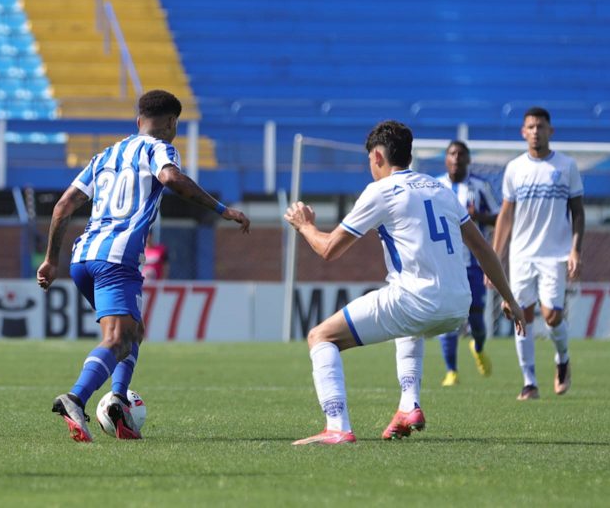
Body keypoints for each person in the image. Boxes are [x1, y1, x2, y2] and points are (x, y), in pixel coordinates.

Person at [284, 120, 526, 445]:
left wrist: (304, 226)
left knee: (321, 337)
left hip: (416, 300)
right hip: (458, 306)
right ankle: (408, 406)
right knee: (408, 323)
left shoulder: (380, 191)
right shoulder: (440, 188)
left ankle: (336, 425)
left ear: (379, 157)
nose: (370, 167)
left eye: (370, 160)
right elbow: (483, 247)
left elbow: (328, 249)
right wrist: (509, 298)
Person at [37, 89, 251, 442]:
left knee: (134, 331)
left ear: (138, 121)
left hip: (82, 258)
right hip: (117, 259)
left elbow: (62, 206)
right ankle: (76, 397)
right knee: (119, 337)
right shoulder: (159, 148)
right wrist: (222, 209)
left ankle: (119, 400)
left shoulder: (104, 155)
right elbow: (170, 178)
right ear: (171, 123)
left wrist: (50, 260)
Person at [491, 106, 585, 401]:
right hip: (521, 255)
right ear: (523, 132)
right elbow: (506, 215)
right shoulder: (515, 168)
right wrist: (494, 257)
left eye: (540, 126)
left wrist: (575, 250)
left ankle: (563, 358)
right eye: (530, 127)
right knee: (522, 315)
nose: (535, 131)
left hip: (555, 254)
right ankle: (529, 381)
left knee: (552, 315)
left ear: (550, 131)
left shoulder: (566, 167)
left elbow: (578, 212)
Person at [436, 140, 499, 386]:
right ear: (446, 159)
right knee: (447, 317)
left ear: (468, 159)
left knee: (475, 318)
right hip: (443, 264)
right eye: (452, 153)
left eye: (461, 154)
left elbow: (497, 217)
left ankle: (479, 346)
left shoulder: (479, 187)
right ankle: (451, 371)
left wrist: (477, 216)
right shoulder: (434, 186)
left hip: (472, 264)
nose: (456, 158)